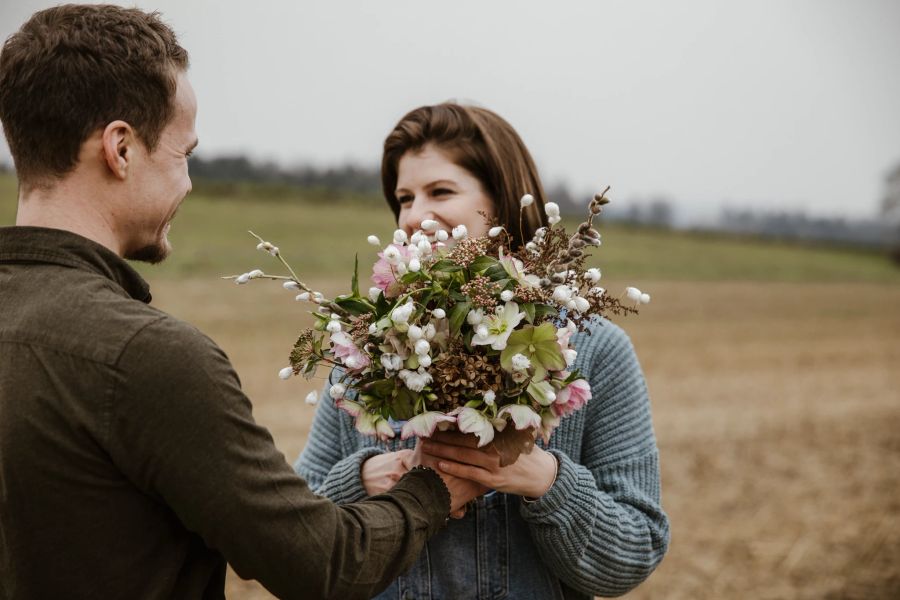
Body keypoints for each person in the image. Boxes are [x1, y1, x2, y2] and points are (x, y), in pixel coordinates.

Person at [0, 7, 484, 600]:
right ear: (120, 149)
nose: (189, 183)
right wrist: (436, 486)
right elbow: (325, 565)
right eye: (184, 154)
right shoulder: (143, 356)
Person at [296, 103, 670, 599]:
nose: (412, 216)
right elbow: (295, 537)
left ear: (502, 203)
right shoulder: (369, 351)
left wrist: (545, 481)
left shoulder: (595, 348)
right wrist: (364, 477)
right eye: (404, 198)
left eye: (440, 191)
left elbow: (636, 549)